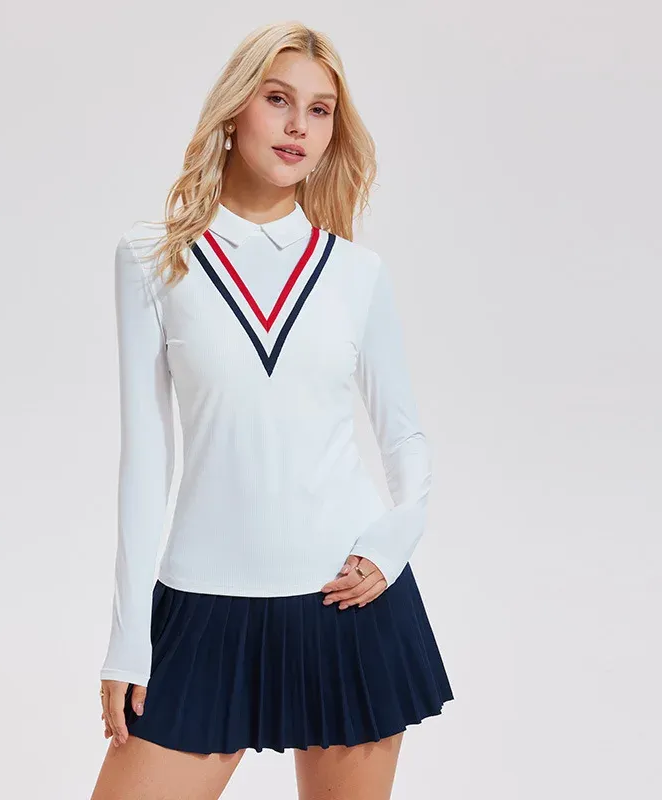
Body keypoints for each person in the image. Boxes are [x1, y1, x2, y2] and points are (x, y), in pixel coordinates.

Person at [91, 20, 453, 800]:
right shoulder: (154, 258)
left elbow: (405, 438)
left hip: (347, 603)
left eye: (320, 110)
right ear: (234, 109)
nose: (298, 126)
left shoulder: (355, 273)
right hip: (202, 604)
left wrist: (392, 543)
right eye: (278, 99)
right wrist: (127, 640)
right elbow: (145, 458)